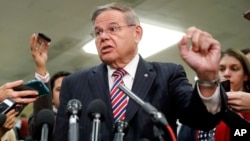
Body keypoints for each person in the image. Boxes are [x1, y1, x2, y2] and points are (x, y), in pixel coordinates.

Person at [53, 3, 228, 141]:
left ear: (136, 33)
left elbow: (202, 120)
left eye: (113, 29)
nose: (103, 37)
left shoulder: (168, 75)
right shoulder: (74, 83)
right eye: (98, 32)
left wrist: (207, 78)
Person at [178, 48, 250, 141]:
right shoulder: (202, 106)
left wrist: (229, 114)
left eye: (234, 69)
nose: (226, 74)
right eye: (221, 69)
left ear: (245, 76)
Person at [27, 33, 71, 140]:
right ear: (51, 97)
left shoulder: (90, 117)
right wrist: (41, 67)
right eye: (59, 89)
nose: (64, 93)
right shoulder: (44, 120)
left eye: (69, 88)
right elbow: (39, 128)